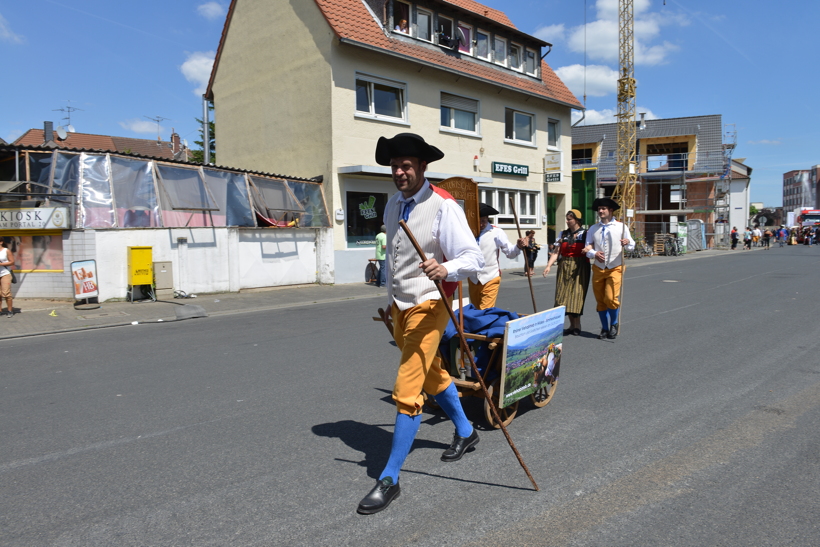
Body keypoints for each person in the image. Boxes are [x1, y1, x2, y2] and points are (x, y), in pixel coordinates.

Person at [357, 133, 484, 515]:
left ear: (423, 167)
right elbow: (395, 258)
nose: (399, 172)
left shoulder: (443, 206)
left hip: (431, 304)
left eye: (407, 165)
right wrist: (389, 297)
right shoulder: (393, 204)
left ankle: (390, 477)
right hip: (400, 305)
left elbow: (472, 257)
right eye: (395, 166)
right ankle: (466, 430)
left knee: (408, 385)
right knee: (432, 373)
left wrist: (445, 266)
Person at [584, 197, 635, 340]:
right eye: (599, 209)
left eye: (603, 208)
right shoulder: (593, 229)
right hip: (598, 268)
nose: (600, 211)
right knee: (600, 300)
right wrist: (594, 253)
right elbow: (587, 248)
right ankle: (604, 328)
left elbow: (631, 246)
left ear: (611, 210)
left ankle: (614, 323)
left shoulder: (621, 227)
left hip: (615, 267)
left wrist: (627, 243)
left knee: (611, 298)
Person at [467, 203, 526, 309]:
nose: (481, 224)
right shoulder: (468, 232)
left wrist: (518, 246)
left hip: (491, 277)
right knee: (476, 310)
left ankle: (485, 325)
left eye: (483, 221)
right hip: (473, 279)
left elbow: (510, 252)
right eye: (478, 221)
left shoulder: (496, 232)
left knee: (485, 310)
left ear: (487, 219)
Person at [542, 209, 590, 335]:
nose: (567, 221)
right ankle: (571, 325)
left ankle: (577, 325)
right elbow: (556, 251)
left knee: (576, 295)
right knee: (563, 296)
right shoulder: (563, 234)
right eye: (567, 219)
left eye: (570, 219)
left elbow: (592, 247)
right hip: (564, 265)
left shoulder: (586, 234)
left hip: (580, 266)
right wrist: (548, 265)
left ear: (577, 220)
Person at [0, 237, 15, 317]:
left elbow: (12, 262)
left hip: (5, 273)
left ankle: (9, 310)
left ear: (1, 242)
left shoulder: (6, 251)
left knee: (6, 293)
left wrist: (1, 264)